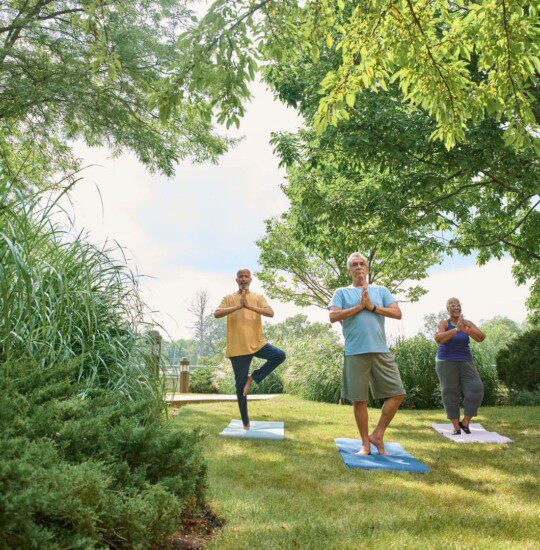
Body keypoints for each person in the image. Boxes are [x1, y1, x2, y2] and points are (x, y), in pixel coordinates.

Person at [329, 252, 405, 456]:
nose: (359, 267)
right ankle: (365, 444)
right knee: (359, 399)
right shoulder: (342, 292)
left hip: (381, 350)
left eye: (362, 264)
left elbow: (397, 313)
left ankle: (378, 434)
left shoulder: (380, 290)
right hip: (355, 351)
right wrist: (358, 307)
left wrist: (372, 307)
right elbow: (333, 316)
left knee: (397, 393)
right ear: (349, 270)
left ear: (368, 268)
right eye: (354, 264)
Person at [214, 269, 286, 430]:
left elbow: (270, 313)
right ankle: (245, 423)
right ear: (236, 280)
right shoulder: (229, 298)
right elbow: (217, 313)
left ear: (250, 279)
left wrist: (249, 307)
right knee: (240, 388)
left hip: (257, 344)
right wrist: (238, 306)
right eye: (241, 276)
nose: (244, 279)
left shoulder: (258, 297)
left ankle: (252, 377)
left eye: (246, 276)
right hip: (238, 348)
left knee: (279, 355)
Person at [434, 297, 486, 434]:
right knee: (450, 392)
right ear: (448, 309)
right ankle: (456, 427)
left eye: (458, 305)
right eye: (452, 305)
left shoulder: (467, 323)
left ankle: (465, 422)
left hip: (465, 360)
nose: (456, 307)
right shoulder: (444, 323)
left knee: (477, 388)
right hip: (445, 360)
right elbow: (439, 339)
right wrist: (456, 330)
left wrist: (466, 329)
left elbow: (481, 337)